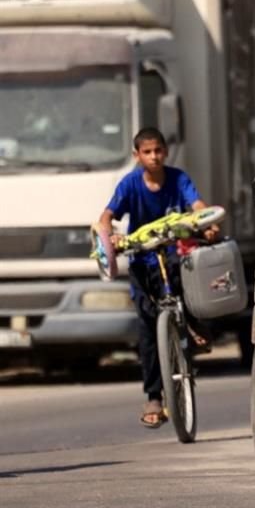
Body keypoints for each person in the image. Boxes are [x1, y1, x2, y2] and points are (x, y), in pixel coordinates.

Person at [97, 127, 220, 429]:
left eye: (158, 151)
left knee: (192, 283)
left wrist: (206, 223)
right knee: (147, 328)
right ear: (136, 155)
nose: (154, 157)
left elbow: (198, 206)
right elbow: (106, 216)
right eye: (147, 152)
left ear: (165, 152)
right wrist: (107, 235)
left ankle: (193, 325)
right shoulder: (129, 184)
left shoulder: (178, 179)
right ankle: (154, 396)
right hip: (142, 261)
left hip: (175, 254)